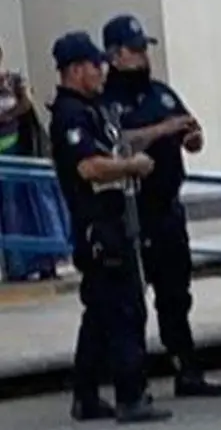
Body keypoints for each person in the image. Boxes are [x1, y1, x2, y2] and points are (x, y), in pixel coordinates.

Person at [47, 31, 172, 423]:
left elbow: (115, 145)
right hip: (99, 227)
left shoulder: (92, 110)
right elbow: (89, 167)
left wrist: (160, 133)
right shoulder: (70, 114)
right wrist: (131, 167)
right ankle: (130, 396)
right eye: (94, 66)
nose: (102, 72)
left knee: (100, 316)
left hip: (113, 222)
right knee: (124, 310)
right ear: (75, 70)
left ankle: (85, 396)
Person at [101, 14, 221, 399]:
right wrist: (162, 130)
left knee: (176, 293)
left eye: (145, 49)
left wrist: (192, 136)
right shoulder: (108, 100)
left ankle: (186, 369)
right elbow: (117, 142)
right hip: (132, 213)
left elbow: (189, 132)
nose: (143, 56)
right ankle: (132, 381)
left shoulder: (161, 94)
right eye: (135, 50)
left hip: (168, 209)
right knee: (130, 301)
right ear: (115, 56)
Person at [0, 43, 70, 281]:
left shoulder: (13, 80)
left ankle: (49, 260)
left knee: (37, 204)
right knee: (10, 210)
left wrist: (8, 113)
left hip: (23, 150)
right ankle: (18, 265)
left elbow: (27, 103)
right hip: (4, 159)